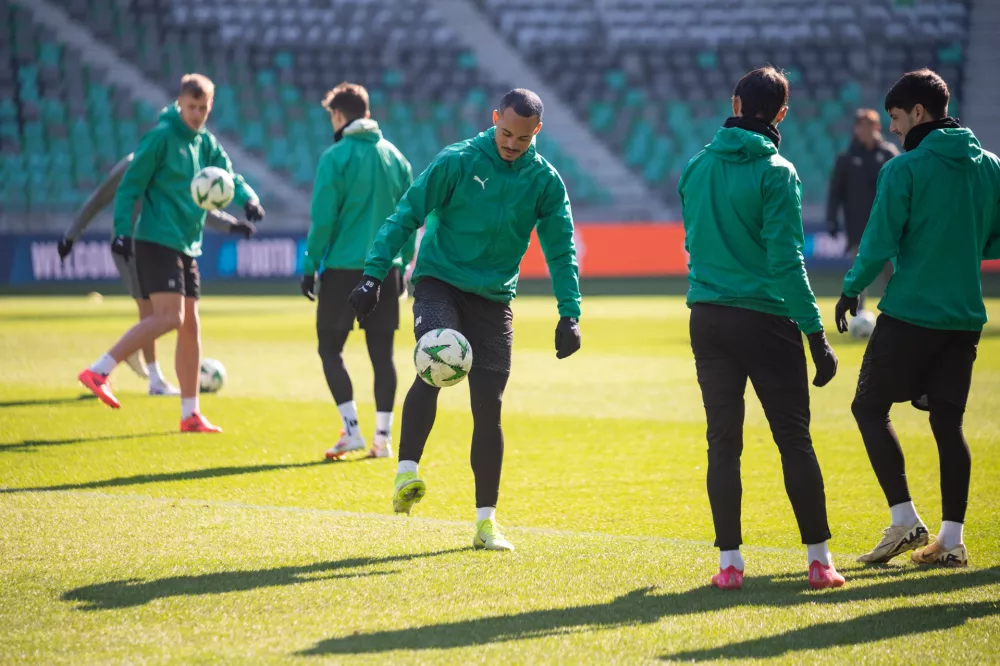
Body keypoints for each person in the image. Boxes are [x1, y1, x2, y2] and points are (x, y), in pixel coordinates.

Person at [349, 88, 582, 552]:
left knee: (489, 407)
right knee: (435, 367)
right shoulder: (457, 161)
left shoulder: (545, 181)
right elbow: (406, 214)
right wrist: (373, 277)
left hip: (494, 298)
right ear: (495, 118)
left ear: (538, 131)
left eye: (522, 136)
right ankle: (406, 473)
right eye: (505, 132)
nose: (511, 143)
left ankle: (485, 523)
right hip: (440, 280)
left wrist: (569, 313)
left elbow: (561, 249)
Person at [679, 66, 844, 590]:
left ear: (733, 101)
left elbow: (694, 244)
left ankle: (729, 567)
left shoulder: (695, 168)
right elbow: (786, 261)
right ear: (780, 113)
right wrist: (816, 334)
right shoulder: (778, 171)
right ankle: (819, 561)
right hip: (766, 320)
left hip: (707, 317)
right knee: (794, 439)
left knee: (722, 444)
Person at [837, 69, 1000, 568]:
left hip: (910, 313)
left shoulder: (903, 169)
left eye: (897, 119)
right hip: (965, 317)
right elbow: (994, 238)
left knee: (868, 409)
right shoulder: (991, 166)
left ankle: (905, 520)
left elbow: (880, 241)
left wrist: (850, 288)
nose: (893, 130)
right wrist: (962, 247)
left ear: (919, 114)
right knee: (949, 425)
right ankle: (951, 539)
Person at [77, 73, 264, 433]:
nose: (197, 114)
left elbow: (229, 175)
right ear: (180, 103)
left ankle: (190, 413)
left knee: (191, 326)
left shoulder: (205, 142)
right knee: (170, 318)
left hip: (187, 242)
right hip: (155, 239)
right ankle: (99, 370)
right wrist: (121, 233)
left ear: (210, 107)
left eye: (203, 108)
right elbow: (130, 187)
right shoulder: (161, 138)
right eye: (191, 107)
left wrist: (249, 200)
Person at [58, 153, 255, 396]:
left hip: (163, 245)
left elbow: (195, 206)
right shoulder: (133, 163)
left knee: (163, 314)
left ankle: (141, 363)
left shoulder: (182, 165)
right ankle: (150, 378)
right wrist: (71, 235)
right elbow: (99, 199)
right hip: (130, 244)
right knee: (151, 311)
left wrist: (231, 224)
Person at [300, 82, 415, 461]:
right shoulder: (396, 158)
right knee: (383, 356)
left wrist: (309, 265)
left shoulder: (335, 157)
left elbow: (323, 221)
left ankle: (351, 431)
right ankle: (383, 440)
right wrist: (403, 265)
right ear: (366, 113)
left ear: (337, 115)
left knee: (330, 349)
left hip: (342, 271)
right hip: (384, 271)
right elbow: (409, 220)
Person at [826, 109, 899, 309]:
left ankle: (894, 312)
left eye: (868, 125)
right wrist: (831, 220)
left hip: (888, 228)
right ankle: (858, 315)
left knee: (891, 274)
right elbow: (835, 193)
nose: (863, 130)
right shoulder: (846, 158)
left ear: (876, 127)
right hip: (858, 227)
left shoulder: (889, 154)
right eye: (860, 125)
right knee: (859, 273)